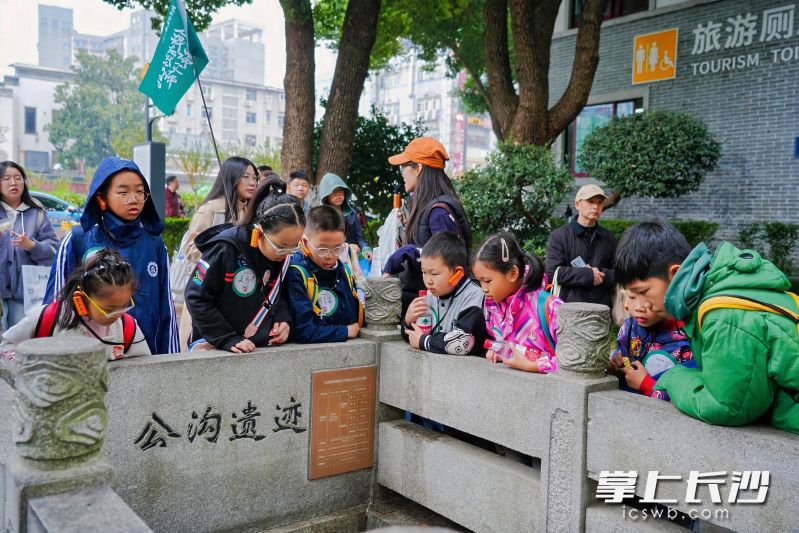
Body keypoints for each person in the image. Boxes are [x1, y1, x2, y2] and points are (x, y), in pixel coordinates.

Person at [614, 221, 799, 434]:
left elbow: (727, 407)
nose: (638, 305)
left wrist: (672, 376)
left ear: (674, 274)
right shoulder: (724, 288)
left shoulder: (723, 316)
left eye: (644, 292)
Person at [45, 157, 179, 355]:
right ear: (101, 198)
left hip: (143, 357)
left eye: (140, 192)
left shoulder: (155, 244)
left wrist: (170, 364)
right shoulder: (77, 241)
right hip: (86, 360)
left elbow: (166, 311)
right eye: (123, 192)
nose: (133, 199)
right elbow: (54, 308)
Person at [184, 191, 305, 353]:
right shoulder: (225, 248)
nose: (288, 253)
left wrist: (282, 319)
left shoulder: (280, 257)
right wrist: (226, 337)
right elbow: (196, 296)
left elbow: (278, 292)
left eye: (294, 246)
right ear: (259, 233)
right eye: (282, 246)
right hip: (217, 346)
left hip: (257, 348)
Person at [2, 249, 149, 362]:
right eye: (108, 309)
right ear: (81, 297)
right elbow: (6, 347)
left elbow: (143, 368)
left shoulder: (127, 328)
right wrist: (34, 371)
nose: (117, 314)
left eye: (124, 306)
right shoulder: (47, 319)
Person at [176, 157, 260, 349]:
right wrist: (221, 254)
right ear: (231, 177)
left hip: (240, 292)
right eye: (245, 177)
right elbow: (190, 250)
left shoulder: (251, 212)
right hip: (209, 291)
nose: (252, 182)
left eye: (254, 177)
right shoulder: (210, 210)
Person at [385, 137, 472, 317]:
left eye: (404, 166)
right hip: (424, 301)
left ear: (418, 168)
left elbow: (446, 260)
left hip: (433, 308)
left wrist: (409, 251)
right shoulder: (428, 205)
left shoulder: (438, 211)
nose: (401, 172)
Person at [473, 232, 561, 374]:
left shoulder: (550, 307)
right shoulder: (492, 307)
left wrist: (532, 366)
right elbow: (504, 344)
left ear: (513, 273)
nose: (483, 288)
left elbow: (576, 361)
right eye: (479, 281)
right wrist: (499, 351)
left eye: (487, 281)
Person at [287, 205, 363, 343]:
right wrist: (344, 331)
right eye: (322, 249)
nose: (330, 256)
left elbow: (351, 317)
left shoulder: (344, 269)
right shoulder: (297, 273)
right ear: (305, 242)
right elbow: (303, 331)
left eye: (337, 248)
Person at [403, 232, 485, 356]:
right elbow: (413, 337)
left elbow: (463, 342)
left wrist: (424, 341)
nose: (428, 280)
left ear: (457, 272)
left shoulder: (474, 296)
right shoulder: (428, 295)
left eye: (434, 273)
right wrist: (408, 321)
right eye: (424, 272)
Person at [0, 161, 59, 330]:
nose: (14, 182)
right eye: (7, 178)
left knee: (21, 340)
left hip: (26, 294)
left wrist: (32, 245)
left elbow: (54, 249)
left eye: (18, 178)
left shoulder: (36, 213)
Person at [608, 290, 694, 401]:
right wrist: (615, 369)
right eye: (632, 297)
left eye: (647, 297)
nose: (639, 307)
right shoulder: (629, 327)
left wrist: (646, 384)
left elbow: (690, 397)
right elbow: (621, 356)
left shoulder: (690, 342)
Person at [545, 184, 616, 307]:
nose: (595, 206)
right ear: (578, 204)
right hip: (567, 308)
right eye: (590, 201)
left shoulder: (608, 237)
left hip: (600, 309)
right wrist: (588, 275)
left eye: (599, 202)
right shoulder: (560, 235)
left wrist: (599, 273)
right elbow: (552, 272)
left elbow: (618, 273)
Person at [318, 173, 371, 260]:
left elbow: (359, 238)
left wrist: (366, 249)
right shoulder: (321, 216)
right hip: (332, 260)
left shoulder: (352, 213)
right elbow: (323, 243)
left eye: (340, 190)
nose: (338, 194)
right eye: (334, 191)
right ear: (326, 196)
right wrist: (346, 247)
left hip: (354, 258)